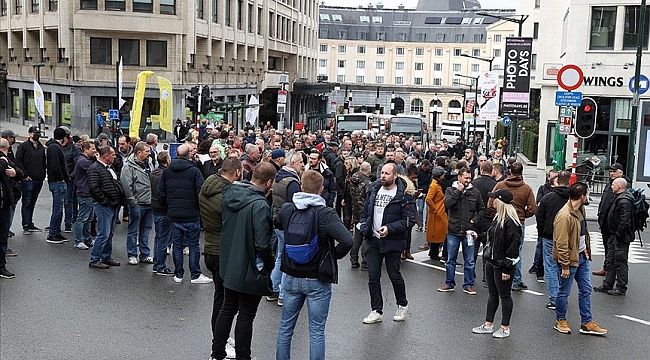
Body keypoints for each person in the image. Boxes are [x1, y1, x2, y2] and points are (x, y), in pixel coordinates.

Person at [275, 170, 353, 360]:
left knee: (286, 327)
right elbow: (347, 240)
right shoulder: (325, 213)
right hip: (317, 277)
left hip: (291, 275)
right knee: (316, 331)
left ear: (301, 187)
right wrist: (331, 257)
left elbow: (276, 223)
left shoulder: (288, 209)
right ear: (321, 189)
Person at [213, 162, 277, 360]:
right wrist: (269, 264)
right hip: (250, 266)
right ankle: (243, 357)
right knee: (246, 314)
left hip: (230, 262)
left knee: (227, 308)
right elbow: (262, 243)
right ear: (269, 182)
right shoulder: (260, 205)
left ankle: (216, 353)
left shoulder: (230, 194)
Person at [359, 162, 414, 324]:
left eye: (386, 173)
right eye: (381, 173)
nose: (382, 176)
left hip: (392, 241)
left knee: (394, 275)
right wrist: (364, 227)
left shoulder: (404, 195)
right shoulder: (374, 190)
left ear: (395, 175)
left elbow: (408, 220)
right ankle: (376, 310)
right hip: (373, 240)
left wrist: (389, 228)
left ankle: (402, 305)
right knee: (373, 276)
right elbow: (365, 211)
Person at [200, 158, 243, 360]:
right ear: (236, 172)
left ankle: (222, 338)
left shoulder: (208, 187)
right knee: (225, 303)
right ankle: (221, 343)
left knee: (220, 299)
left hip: (210, 247)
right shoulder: (227, 194)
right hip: (222, 250)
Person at [553, 182, 608, 336]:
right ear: (582, 196)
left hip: (582, 256)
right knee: (564, 292)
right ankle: (560, 320)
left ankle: (586, 322)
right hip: (569, 260)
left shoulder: (580, 210)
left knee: (586, 289)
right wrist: (564, 265)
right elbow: (561, 242)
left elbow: (583, 234)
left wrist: (586, 251)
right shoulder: (564, 216)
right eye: (587, 194)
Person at [157, 144, 211, 284]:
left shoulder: (167, 171)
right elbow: (201, 192)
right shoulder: (194, 171)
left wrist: (168, 206)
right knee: (193, 245)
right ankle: (195, 275)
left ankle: (178, 274)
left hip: (174, 214)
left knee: (177, 245)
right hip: (191, 214)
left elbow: (160, 193)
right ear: (189, 155)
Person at [472, 189, 521, 339]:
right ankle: (488, 324)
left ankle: (505, 327)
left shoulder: (510, 222)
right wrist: (478, 236)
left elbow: (513, 248)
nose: (492, 201)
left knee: (505, 296)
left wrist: (507, 268)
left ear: (500, 201)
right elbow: (493, 239)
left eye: (494, 198)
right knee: (492, 294)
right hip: (492, 262)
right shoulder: (498, 218)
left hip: (502, 265)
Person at [487, 162, 537, 291]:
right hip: (518, 222)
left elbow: (490, 204)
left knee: (497, 248)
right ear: (522, 172)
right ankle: (516, 279)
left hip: (501, 220)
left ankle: (494, 275)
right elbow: (533, 208)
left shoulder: (500, 185)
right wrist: (522, 215)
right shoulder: (526, 188)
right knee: (515, 252)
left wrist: (496, 214)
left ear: (509, 172)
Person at [438, 168, 485, 295]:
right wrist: (458, 191)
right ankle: (449, 283)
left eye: (469, 178)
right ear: (459, 177)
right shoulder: (450, 190)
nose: (468, 181)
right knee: (450, 260)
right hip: (453, 231)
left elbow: (481, 209)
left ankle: (468, 285)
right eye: (466, 178)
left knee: (469, 261)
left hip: (468, 232)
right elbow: (447, 204)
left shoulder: (474, 192)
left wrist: (475, 220)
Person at [269, 151, 304, 304]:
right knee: (286, 259)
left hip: (278, 220)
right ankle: (283, 294)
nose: (303, 164)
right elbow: (295, 205)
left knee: (279, 257)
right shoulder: (292, 182)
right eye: (300, 162)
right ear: (292, 164)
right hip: (287, 223)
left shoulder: (279, 177)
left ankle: (272, 289)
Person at [536, 171, 571, 310]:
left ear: (556, 182)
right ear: (569, 182)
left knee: (550, 266)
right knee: (565, 266)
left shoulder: (548, 198)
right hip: (568, 237)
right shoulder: (572, 199)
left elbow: (540, 217)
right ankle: (563, 296)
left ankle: (555, 298)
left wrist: (542, 233)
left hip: (549, 235)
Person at [593, 178, 633, 296]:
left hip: (619, 236)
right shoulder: (619, 197)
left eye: (614, 185)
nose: (611, 187)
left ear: (619, 186)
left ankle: (621, 287)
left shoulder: (624, 201)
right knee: (611, 260)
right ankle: (607, 284)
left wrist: (619, 235)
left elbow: (625, 221)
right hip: (613, 234)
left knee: (620, 261)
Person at [88, 146, 123, 269]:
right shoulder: (95, 169)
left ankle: (106, 257)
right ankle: (94, 259)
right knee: (103, 233)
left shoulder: (108, 168)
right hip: (104, 205)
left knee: (109, 233)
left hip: (113, 204)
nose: (115, 157)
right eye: (113, 155)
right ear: (106, 156)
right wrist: (105, 201)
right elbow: (94, 188)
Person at [121, 141, 154, 265]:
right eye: (147, 151)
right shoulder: (129, 167)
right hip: (138, 203)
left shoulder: (149, 163)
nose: (149, 153)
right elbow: (126, 185)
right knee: (133, 230)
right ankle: (132, 254)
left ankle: (145, 254)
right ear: (139, 153)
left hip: (149, 202)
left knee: (146, 230)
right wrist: (132, 201)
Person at [594, 163, 629, 276]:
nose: (612, 173)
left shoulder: (624, 187)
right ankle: (607, 268)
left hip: (615, 226)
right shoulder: (609, 185)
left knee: (617, 253)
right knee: (607, 248)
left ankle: (616, 275)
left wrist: (619, 231)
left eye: (614, 171)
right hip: (605, 223)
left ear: (621, 172)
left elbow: (624, 213)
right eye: (610, 171)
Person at [0, 138, 24, 279]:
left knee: (3, 238)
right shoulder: (3, 161)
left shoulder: (7, 161)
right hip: (3, 203)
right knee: (2, 238)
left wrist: (15, 173)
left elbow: (20, 172)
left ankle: (2, 266)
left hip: (4, 203)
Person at [15, 126, 46, 235]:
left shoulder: (41, 147)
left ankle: (30, 222)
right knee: (27, 202)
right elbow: (18, 161)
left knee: (32, 202)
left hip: (39, 179)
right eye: (34, 133)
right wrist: (24, 175)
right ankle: (26, 225)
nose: (37, 134)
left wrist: (43, 174)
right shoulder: (23, 147)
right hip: (27, 179)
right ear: (29, 134)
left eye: (38, 132)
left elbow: (43, 162)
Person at [45, 128, 71, 244]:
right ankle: (52, 233)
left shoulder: (53, 147)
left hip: (56, 181)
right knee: (57, 209)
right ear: (63, 137)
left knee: (59, 209)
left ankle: (56, 231)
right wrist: (62, 177)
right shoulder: (55, 148)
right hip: (57, 182)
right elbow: (56, 165)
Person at [150, 151, 173, 275]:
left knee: (158, 237)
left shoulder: (154, 172)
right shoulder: (166, 174)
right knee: (163, 238)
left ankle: (157, 263)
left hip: (155, 208)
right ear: (167, 160)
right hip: (163, 209)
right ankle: (160, 266)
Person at [71, 141, 97, 250]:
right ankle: (78, 240)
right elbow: (95, 170)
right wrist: (98, 159)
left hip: (88, 193)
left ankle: (87, 238)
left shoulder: (86, 160)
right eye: (92, 149)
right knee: (82, 218)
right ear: (85, 150)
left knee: (89, 218)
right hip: (84, 193)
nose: (95, 151)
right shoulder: (83, 161)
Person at [349, 161, 372, 270]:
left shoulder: (352, 179)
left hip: (355, 211)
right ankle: (365, 261)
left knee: (357, 237)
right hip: (365, 212)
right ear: (369, 170)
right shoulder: (367, 183)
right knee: (366, 238)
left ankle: (353, 259)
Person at [425, 166, 448, 261]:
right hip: (437, 213)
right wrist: (435, 210)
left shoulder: (436, 185)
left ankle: (434, 252)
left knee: (439, 233)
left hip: (439, 212)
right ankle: (434, 252)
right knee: (437, 233)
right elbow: (428, 199)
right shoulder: (434, 186)